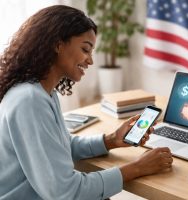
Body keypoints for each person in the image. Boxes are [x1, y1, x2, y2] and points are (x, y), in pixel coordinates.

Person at [0, 5, 173, 200]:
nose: (90, 61)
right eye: (85, 49)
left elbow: (61, 146)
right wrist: (137, 167)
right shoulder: (30, 101)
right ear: (58, 45)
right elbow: (66, 192)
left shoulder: (42, 92)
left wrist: (111, 140)